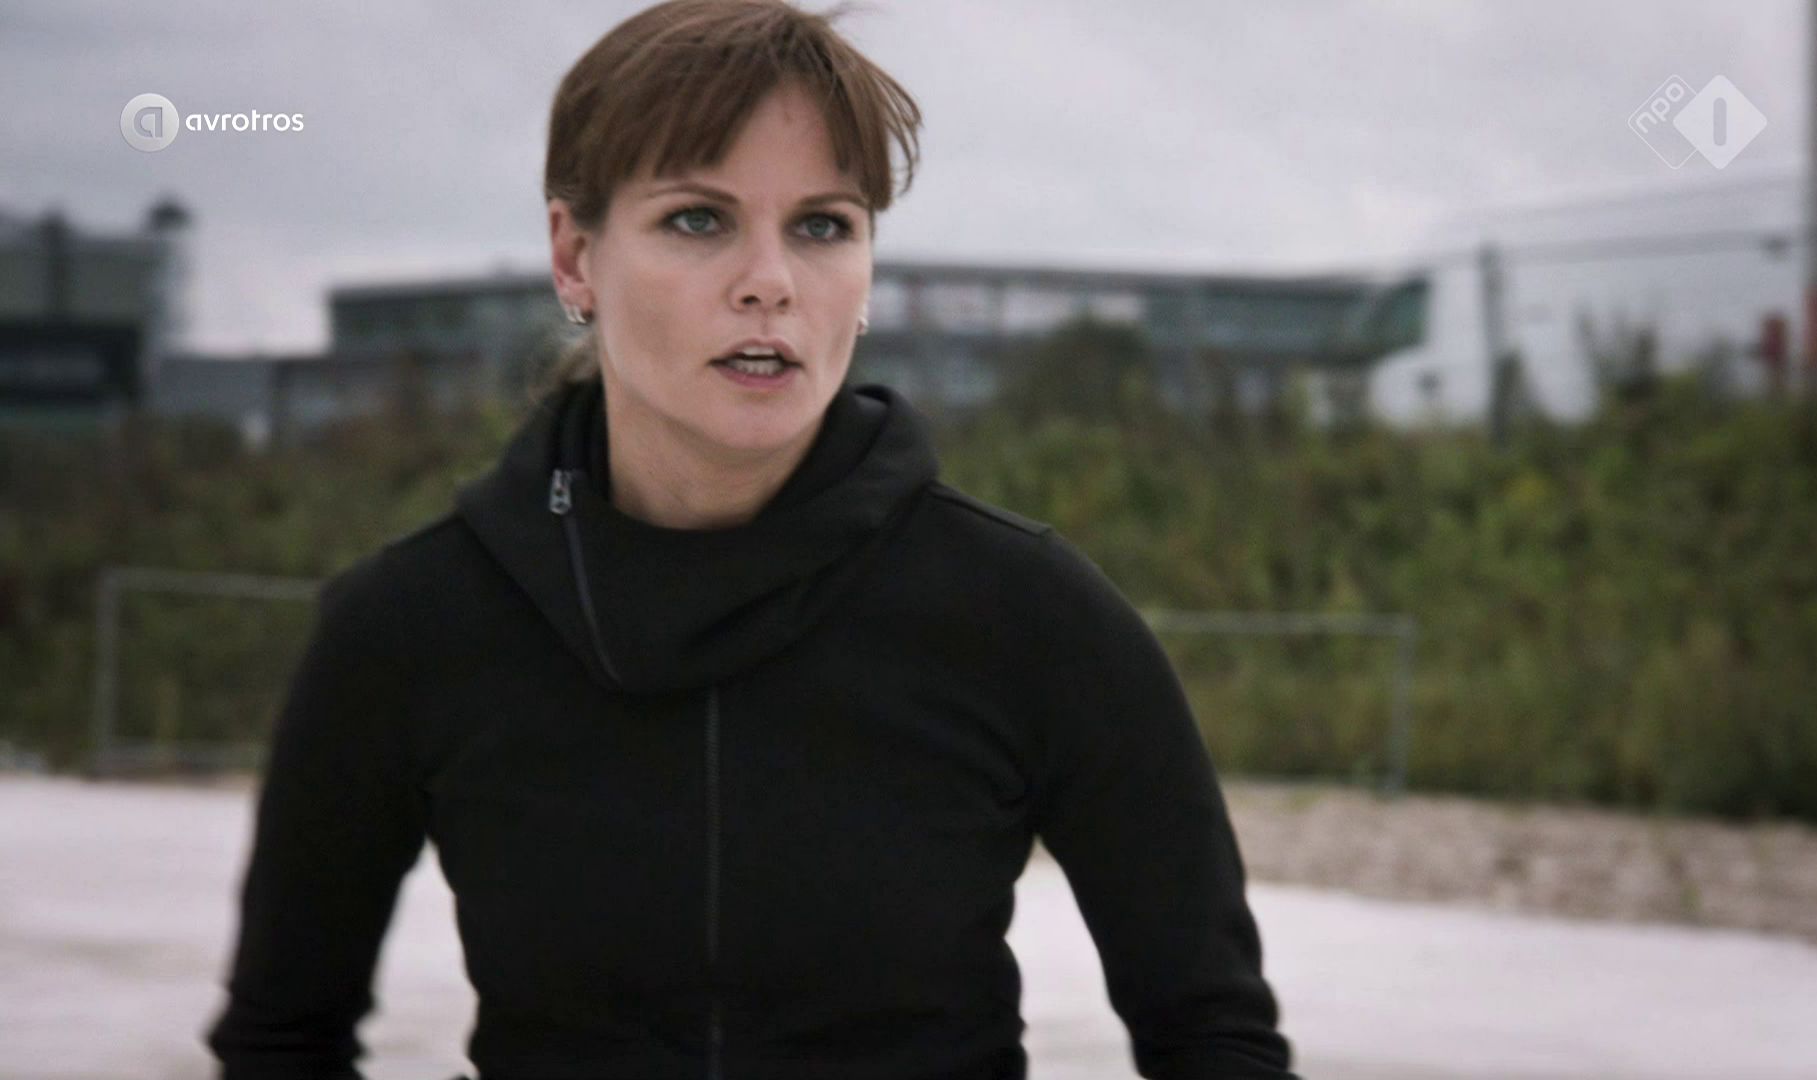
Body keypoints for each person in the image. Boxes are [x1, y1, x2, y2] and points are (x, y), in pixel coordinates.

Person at [204, 2, 1300, 1077]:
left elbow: (1215, 1038)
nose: (770, 282)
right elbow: (280, 1041)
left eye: (823, 225)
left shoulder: (1028, 614)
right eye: (698, 219)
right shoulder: (411, 625)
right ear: (575, 256)